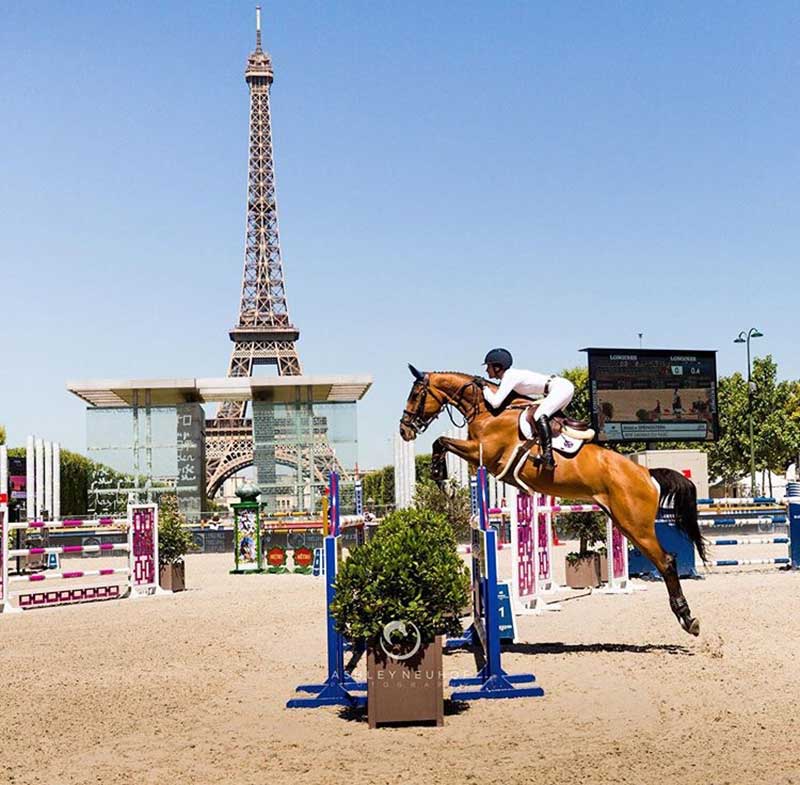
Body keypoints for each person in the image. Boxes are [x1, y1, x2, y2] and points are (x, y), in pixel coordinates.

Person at [478, 348, 574, 470]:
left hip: (560, 388)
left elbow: (495, 403)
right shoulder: (509, 377)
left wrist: (484, 387)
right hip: (558, 388)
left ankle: (548, 456)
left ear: (497, 367)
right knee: (544, 417)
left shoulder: (510, 376)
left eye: (489, 366)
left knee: (539, 415)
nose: (487, 370)